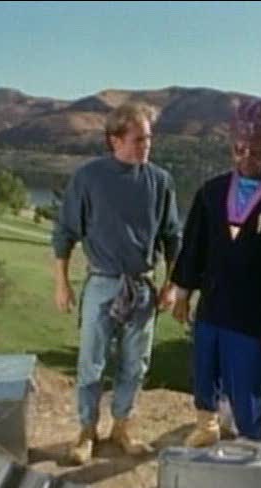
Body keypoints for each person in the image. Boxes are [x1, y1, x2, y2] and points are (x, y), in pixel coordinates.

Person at [170, 98, 261, 446]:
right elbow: (194, 245)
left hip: (255, 317)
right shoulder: (212, 190)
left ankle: (250, 441)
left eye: (258, 150)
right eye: (239, 149)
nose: (247, 157)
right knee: (205, 369)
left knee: (248, 381)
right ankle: (207, 425)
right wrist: (183, 292)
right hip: (212, 307)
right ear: (231, 143)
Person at [53, 102, 181, 465]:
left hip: (143, 287)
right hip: (102, 285)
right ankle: (86, 432)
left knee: (135, 364)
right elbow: (64, 233)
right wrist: (61, 283)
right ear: (115, 140)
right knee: (91, 362)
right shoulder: (89, 178)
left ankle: (121, 428)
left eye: (149, 138)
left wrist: (171, 284)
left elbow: (173, 237)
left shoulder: (160, 181)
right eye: (139, 139)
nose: (146, 145)